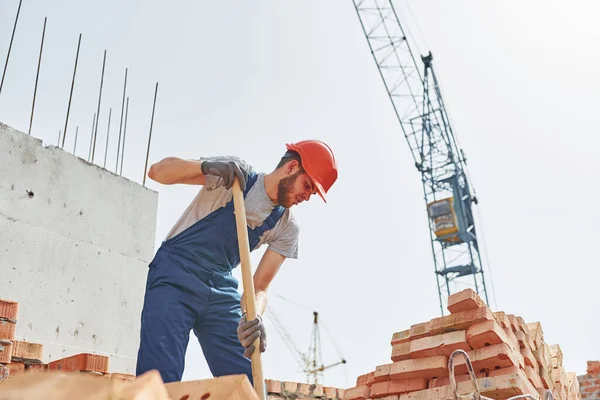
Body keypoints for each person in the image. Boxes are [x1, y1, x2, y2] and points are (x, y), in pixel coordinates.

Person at [135, 140, 338, 385]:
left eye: (313, 193)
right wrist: (206, 166)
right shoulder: (236, 175)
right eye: (308, 186)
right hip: (175, 273)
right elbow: (158, 172)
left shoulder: (287, 228)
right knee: (159, 378)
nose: (307, 197)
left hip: (219, 289)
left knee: (250, 382)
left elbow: (260, 286)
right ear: (292, 167)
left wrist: (254, 316)